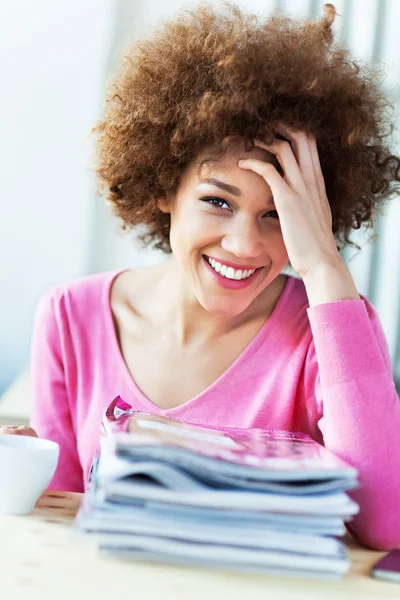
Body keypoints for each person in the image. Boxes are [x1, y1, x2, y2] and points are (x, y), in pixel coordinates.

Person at [2, 2, 400, 551]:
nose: (244, 245)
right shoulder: (72, 317)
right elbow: (64, 528)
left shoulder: (332, 333)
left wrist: (324, 266)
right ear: (165, 187)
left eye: (278, 214)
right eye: (218, 201)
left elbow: (387, 526)